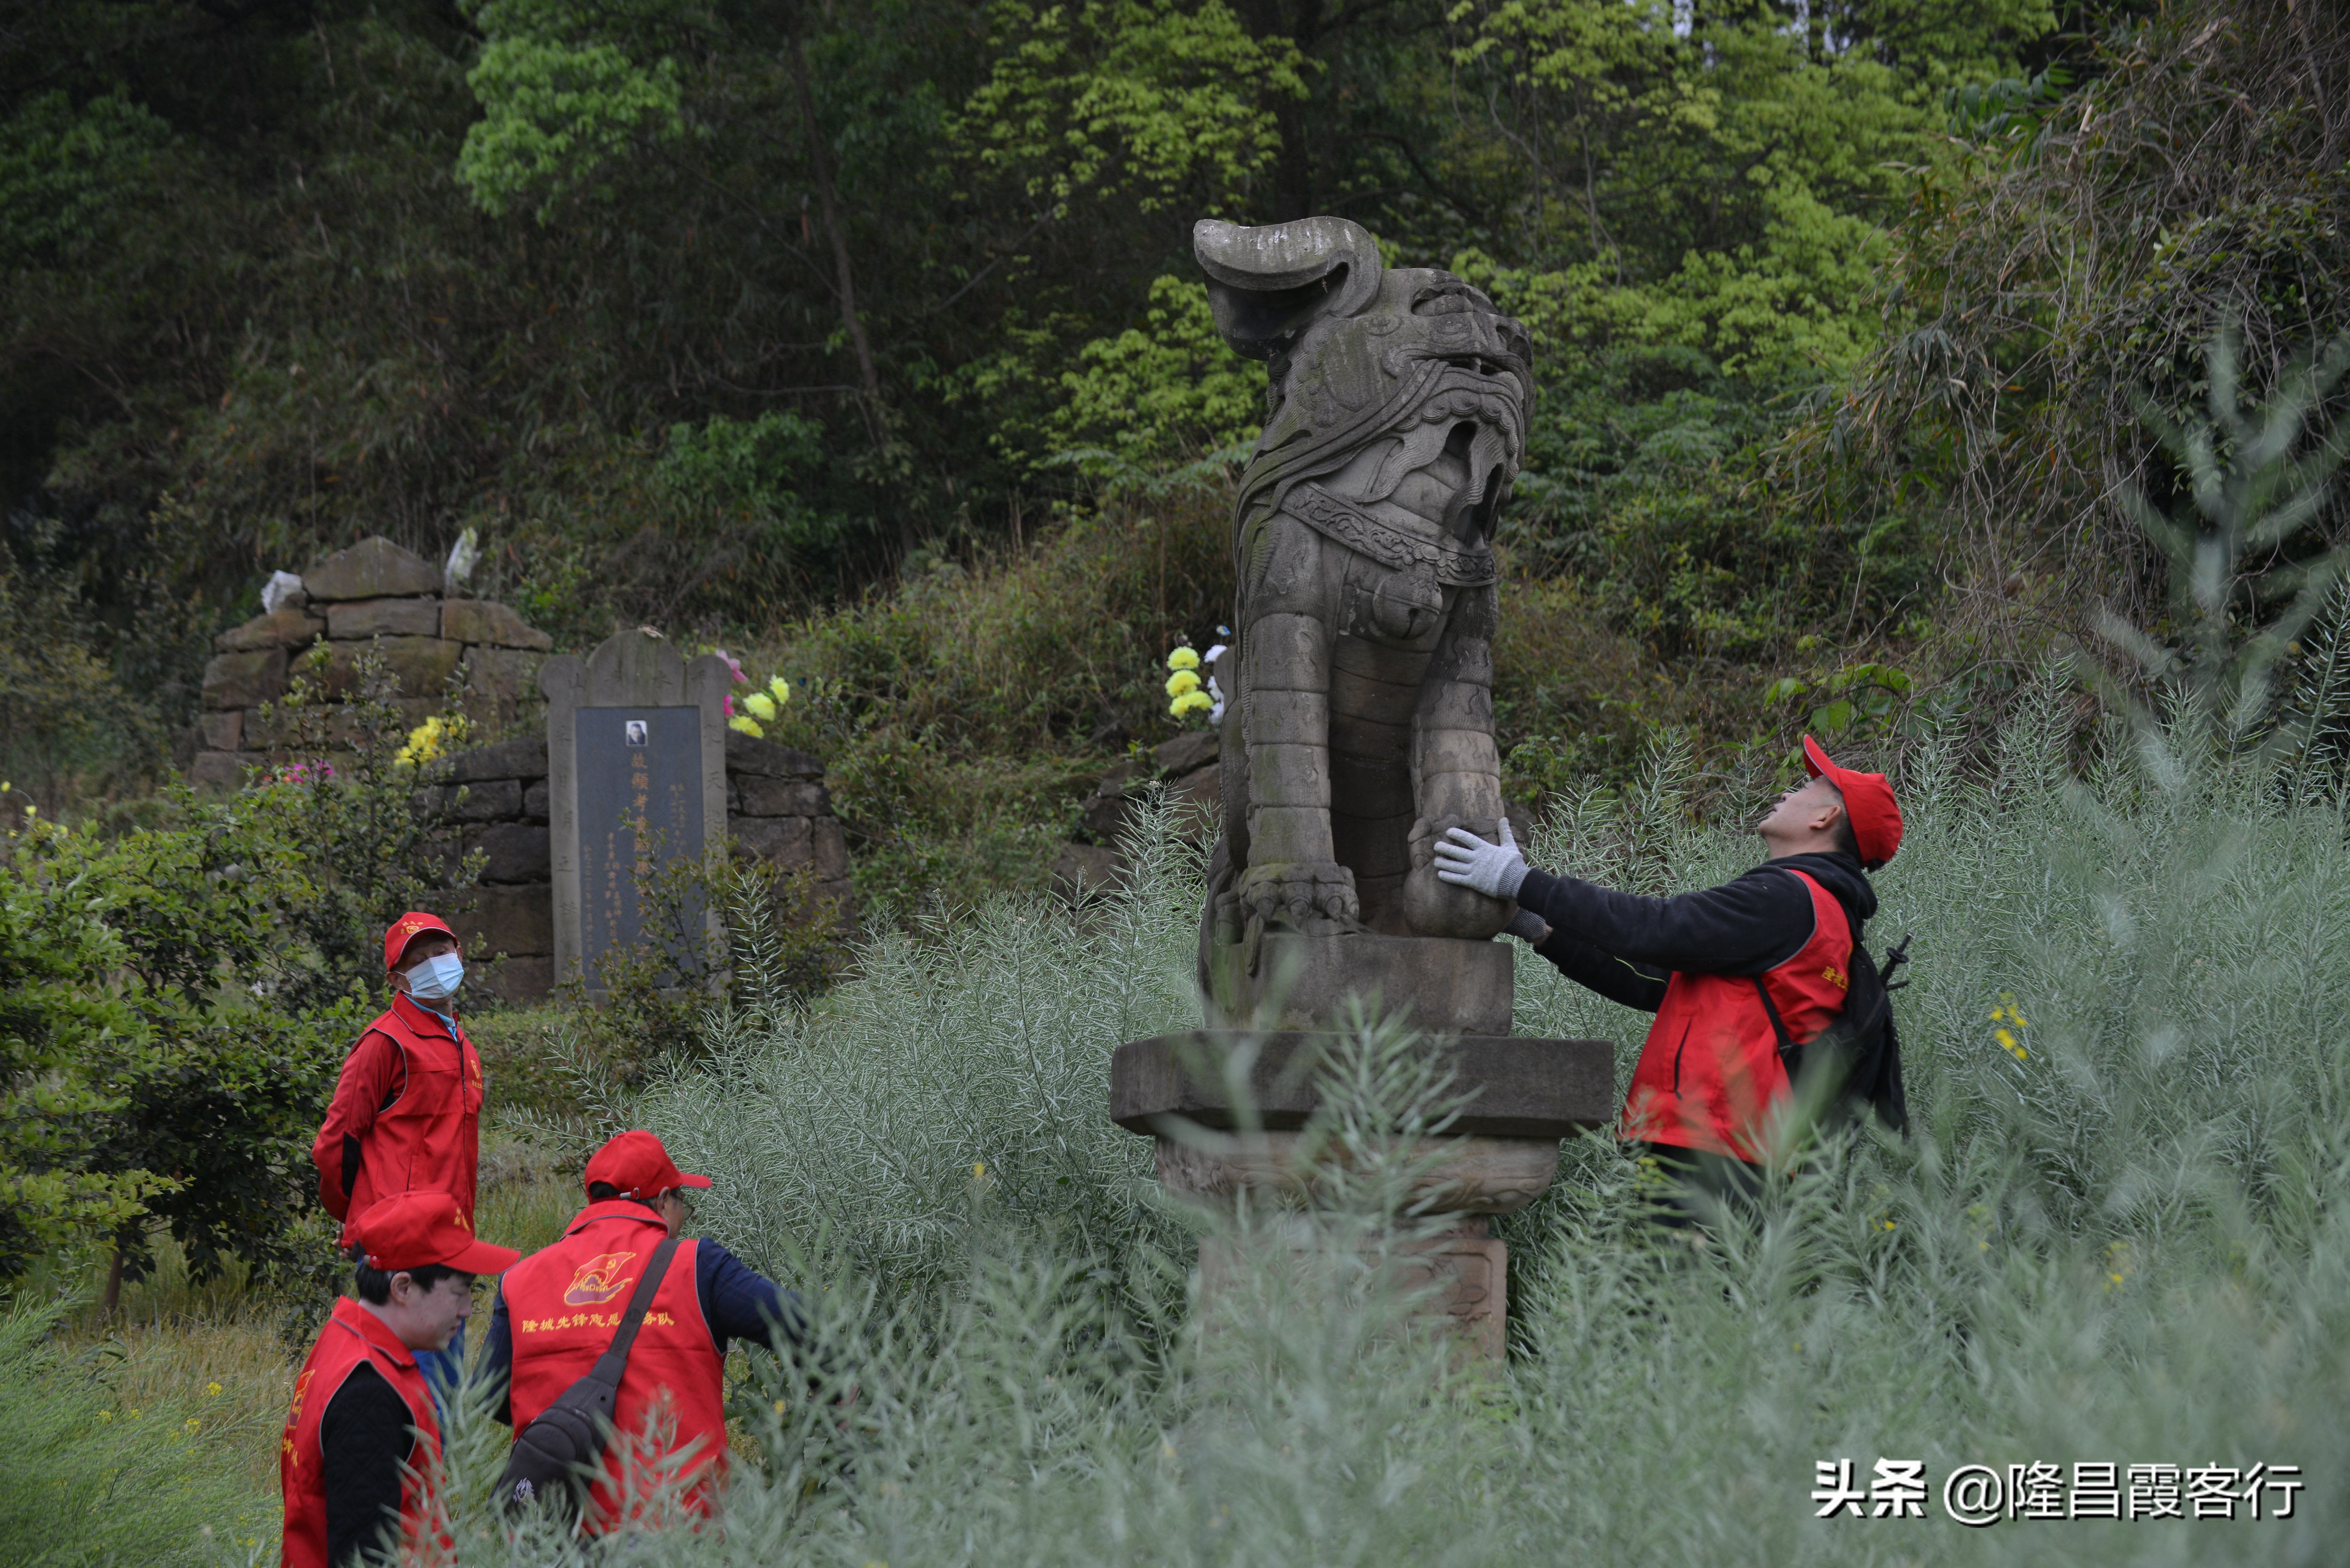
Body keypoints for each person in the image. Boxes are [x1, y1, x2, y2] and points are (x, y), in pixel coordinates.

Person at [1433, 735, 1905, 1225]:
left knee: (1666, 1277)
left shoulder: (1790, 898)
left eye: (1807, 788)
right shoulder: (1818, 912)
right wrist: (1538, 928)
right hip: (1728, 1150)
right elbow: (1655, 982)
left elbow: (1655, 929)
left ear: (1826, 817)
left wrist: (1522, 881)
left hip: (1714, 1152)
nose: (1788, 792)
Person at [483, 1129, 807, 1531]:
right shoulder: (697, 1266)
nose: (683, 1218)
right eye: (683, 1204)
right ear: (663, 1201)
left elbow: (491, 1396)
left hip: (552, 1533)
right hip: (672, 1531)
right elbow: (806, 1325)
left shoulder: (518, 1279)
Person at [280, 1189, 520, 1568]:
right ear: (403, 1287)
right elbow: (363, 1553)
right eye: (460, 1292)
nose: (467, 1310)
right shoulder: (368, 1391)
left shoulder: (344, 1343)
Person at [311, 912, 485, 1393]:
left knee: (444, 1392)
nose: (435, 965)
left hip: (452, 1240)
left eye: (441, 953)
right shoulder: (383, 1042)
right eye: (419, 960)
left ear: (459, 954)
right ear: (397, 979)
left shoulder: (462, 1044)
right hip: (400, 1248)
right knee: (408, 1393)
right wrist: (361, 1218)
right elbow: (335, 1144)